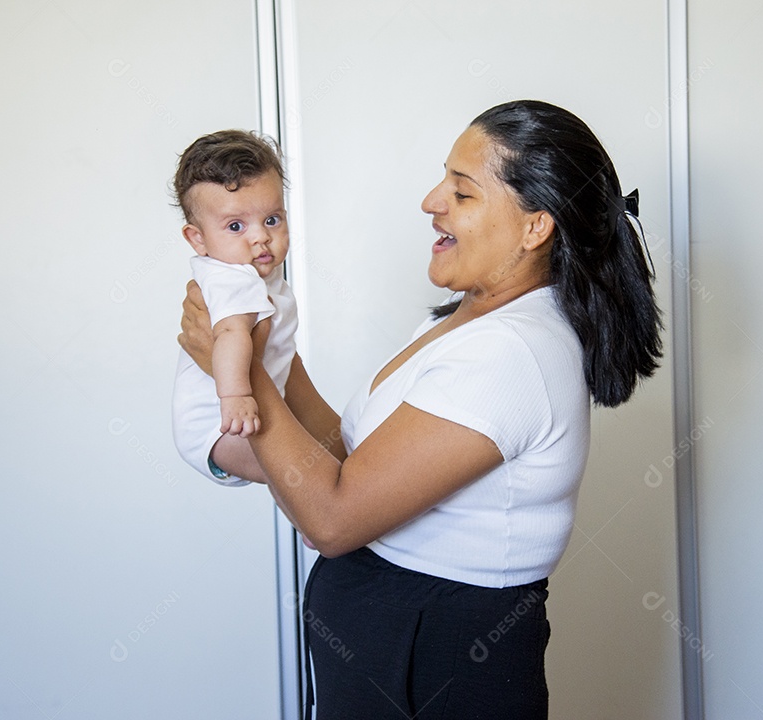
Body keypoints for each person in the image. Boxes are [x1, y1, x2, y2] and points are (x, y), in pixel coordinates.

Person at [179, 100, 662, 719]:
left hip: (436, 662)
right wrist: (266, 346)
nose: (432, 200)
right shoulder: (465, 323)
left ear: (534, 227)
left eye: (462, 193)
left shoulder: (510, 352)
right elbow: (345, 457)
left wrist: (243, 376)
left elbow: (332, 516)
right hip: (390, 651)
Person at [171, 129, 298, 487]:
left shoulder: (254, 274)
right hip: (217, 424)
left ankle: (310, 515)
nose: (260, 237)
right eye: (236, 226)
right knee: (304, 477)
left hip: (234, 418)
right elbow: (229, 333)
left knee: (307, 471)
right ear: (198, 238)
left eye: (272, 219)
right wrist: (236, 396)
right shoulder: (232, 278)